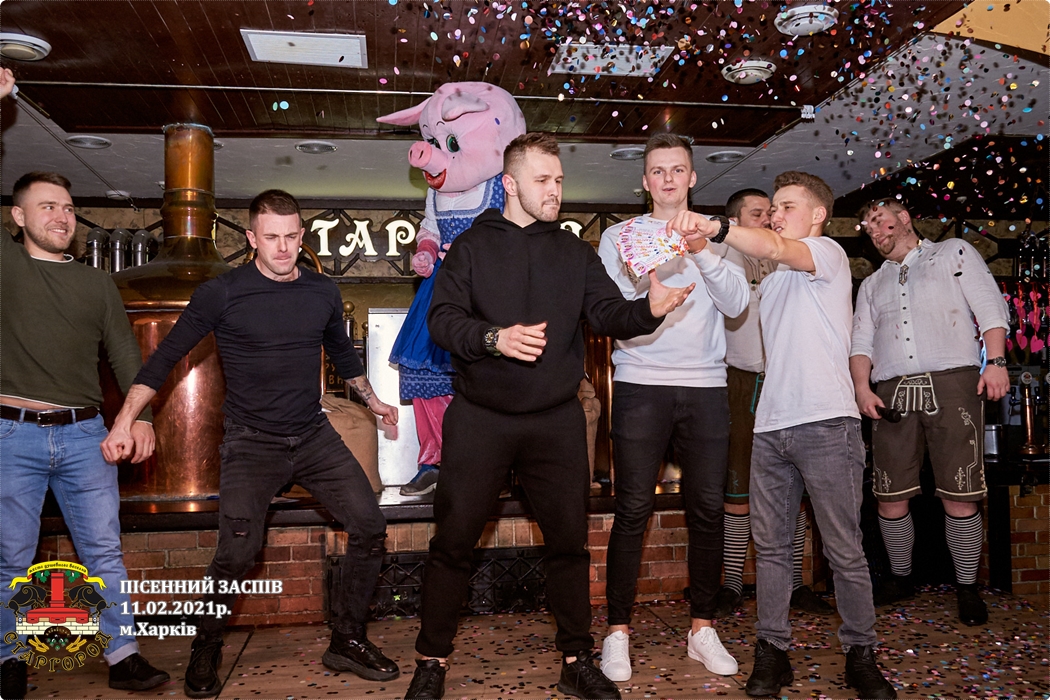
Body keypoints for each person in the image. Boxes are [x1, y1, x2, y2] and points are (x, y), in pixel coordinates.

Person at [402, 133, 694, 700]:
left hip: (555, 422)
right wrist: (494, 338)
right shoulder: (471, 247)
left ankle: (576, 659)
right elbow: (442, 320)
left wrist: (649, 310)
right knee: (453, 543)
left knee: (568, 545)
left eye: (558, 180)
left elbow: (608, 313)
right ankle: (431, 661)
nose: (555, 190)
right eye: (542, 180)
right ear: (510, 184)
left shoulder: (574, 251)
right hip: (481, 419)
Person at [102, 190, 401, 698]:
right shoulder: (222, 292)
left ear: (301, 236)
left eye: (291, 236)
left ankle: (347, 640)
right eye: (271, 237)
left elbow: (342, 355)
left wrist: (373, 402)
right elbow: (164, 358)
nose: (282, 248)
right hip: (251, 443)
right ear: (251, 239)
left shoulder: (322, 291)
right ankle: (206, 645)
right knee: (238, 552)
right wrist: (124, 421)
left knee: (370, 526)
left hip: (313, 436)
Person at [675, 171, 896, 699]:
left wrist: (716, 226)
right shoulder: (772, 279)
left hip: (827, 423)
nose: (776, 214)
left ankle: (861, 654)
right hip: (771, 428)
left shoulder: (827, 255)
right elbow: (744, 288)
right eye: (773, 207)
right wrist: (703, 250)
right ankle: (772, 652)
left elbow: (774, 245)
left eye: (786, 205)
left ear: (818, 214)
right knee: (772, 550)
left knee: (843, 549)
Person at [1, 172, 170, 698]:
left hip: (84, 436)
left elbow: (124, 354)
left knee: (103, 553)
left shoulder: (97, 283)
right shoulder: (6, 265)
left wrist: (141, 417)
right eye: (47, 206)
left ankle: (123, 657)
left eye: (69, 208)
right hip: (12, 435)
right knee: (11, 556)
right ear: (18, 216)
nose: (62, 217)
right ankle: (8, 658)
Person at [595, 134, 748, 682]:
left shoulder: (716, 234)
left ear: (692, 178)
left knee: (707, 510)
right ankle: (617, 632)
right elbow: (607, 310)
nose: (667, 179)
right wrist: (646, 276)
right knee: (632, 510)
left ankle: (702, 628)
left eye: (677, 169)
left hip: (705, 385)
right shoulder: (618, 236)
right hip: (640, 382)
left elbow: (737, 304)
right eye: (657, 171)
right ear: (644, 181)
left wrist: (702, 248)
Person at [850, 198, 1010, 625]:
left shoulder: (954, 251)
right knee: (890, 494)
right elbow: (860, 341)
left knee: (960, 492)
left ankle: (967, 587)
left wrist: (995, 362)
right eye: (867, 227)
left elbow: (990, 307)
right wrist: (862, 389)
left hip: (954, 381)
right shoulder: (872, 283)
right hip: (891, 390)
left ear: (904, 218)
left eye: (880, 220)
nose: (874, 231)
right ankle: (901, 578)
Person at [712, 188, 835, 619]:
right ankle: (731, 584)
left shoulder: (792, 256)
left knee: (793, 490)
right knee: (737, 488)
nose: (768, 219)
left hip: (790, 383)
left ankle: (796, 584)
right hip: (740, 380)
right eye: (758, 213)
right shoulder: (722, 256)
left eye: (773, 212)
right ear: (734, 220)